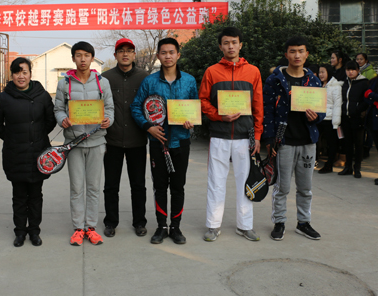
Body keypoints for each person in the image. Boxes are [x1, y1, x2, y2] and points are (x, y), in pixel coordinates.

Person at [131, 37, 198, 245]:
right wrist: (148, 126)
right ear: (158, 55)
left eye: (171, 52)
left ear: (178, 55)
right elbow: (136, 107)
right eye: (163, 52)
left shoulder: (189, 81)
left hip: (181, 141)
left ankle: (175, 227)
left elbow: (195, 107)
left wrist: (191, 122)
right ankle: (161, 226)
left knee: (178, 186)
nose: (168, 56)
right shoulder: (150, 81)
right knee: (160, 186)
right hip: (158, 143)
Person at [199, 27, 263, 242]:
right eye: (226, 43)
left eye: (234, 42)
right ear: (220, 46)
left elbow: (258, 105)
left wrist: (258, 135)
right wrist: (219, 116)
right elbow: (203, 101)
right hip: (219, 135)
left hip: (245, 136)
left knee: (245, 181)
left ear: (240, 45)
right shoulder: (212, 72)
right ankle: (213, 225)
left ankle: (245, 226)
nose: (230, 46)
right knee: (216, 181)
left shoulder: (253, 72)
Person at [263, 37, 325, 241]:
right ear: (286, 54)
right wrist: (269, 139)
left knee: (305, 188)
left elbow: (321, 110)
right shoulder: (274, 80)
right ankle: (279, 222)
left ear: (307, 54)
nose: (297, 55)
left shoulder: (313, 80)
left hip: (308, 142)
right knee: (282, 187)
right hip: (284, 142)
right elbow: (267, 111)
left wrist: (317, 117)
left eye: (301, 51)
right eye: (292, 51)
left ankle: (303, 223)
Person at [0, 57, 56, 247]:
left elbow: (50, 120)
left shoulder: (42, 95)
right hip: (15, 153)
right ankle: (19, 232)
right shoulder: (4, 98)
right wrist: (11, 137)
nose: (21, 76)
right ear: (12, 75)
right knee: (18, 196)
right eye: (17, 72)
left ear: (30, 74)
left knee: (35, 195)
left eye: (24, 72)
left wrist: (38, 136)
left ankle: (34, 231)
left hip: (38, 153)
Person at [54, 41, 114, 246]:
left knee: (94, 187)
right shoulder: (64, 84)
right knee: (76, 188)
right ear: (73, 58)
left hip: (97, 142)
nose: (82, 59)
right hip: (74, 143)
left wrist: (108, 120)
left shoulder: (102, 83)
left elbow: (110, 108)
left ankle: (91, 227)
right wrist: (62, 119)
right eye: (78, 55)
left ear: (92, 58)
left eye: (86, 55)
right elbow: (58, 109)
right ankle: (78, 228)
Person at [101, 38, 148, 239]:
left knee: (138, 185)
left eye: (129, 50)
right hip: (112, 140)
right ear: (115, 55)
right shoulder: (105, 79)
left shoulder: (145, 78)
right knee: (111, 186)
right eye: (121, 51)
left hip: (137, 140)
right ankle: (111, 222)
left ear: (134, 54)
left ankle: (140, 222)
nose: (125, 54)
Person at [338, 61, 369, 178]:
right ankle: (348, 167)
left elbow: (366, 100)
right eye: (348, 70)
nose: (350, 72)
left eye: (353, 69)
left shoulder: (364, 83)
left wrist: (358, 109)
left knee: (359, 144)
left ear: (358, 70)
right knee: (347, 143)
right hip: (345, 117)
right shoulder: (344, 83)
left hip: (358, 118)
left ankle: (357, 168)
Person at [317, 64, 343, 174]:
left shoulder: (336, 86)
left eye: (323, 72)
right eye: (319, 72)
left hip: (330, 119)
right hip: (319, 117)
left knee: (331, 143)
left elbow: (337, 105)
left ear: (329, 72)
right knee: (316, 140)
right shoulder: (319, 85)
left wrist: (336, 123)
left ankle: (329, 165)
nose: (320, 74)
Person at [356, 53, 376, 158]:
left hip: (369, 103)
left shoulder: (370, 72)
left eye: (361, 59)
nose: (359, 61)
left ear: (366, 61)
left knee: (369, 128)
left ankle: (367, 148)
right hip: (360, 101)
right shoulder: (356, 70)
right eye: (357, 59)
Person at [362, 74, 378, 185]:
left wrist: (371, 95)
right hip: (373, 119)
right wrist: (373, 99)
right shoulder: (374, 81)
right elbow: (365, 97)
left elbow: (369, 94)